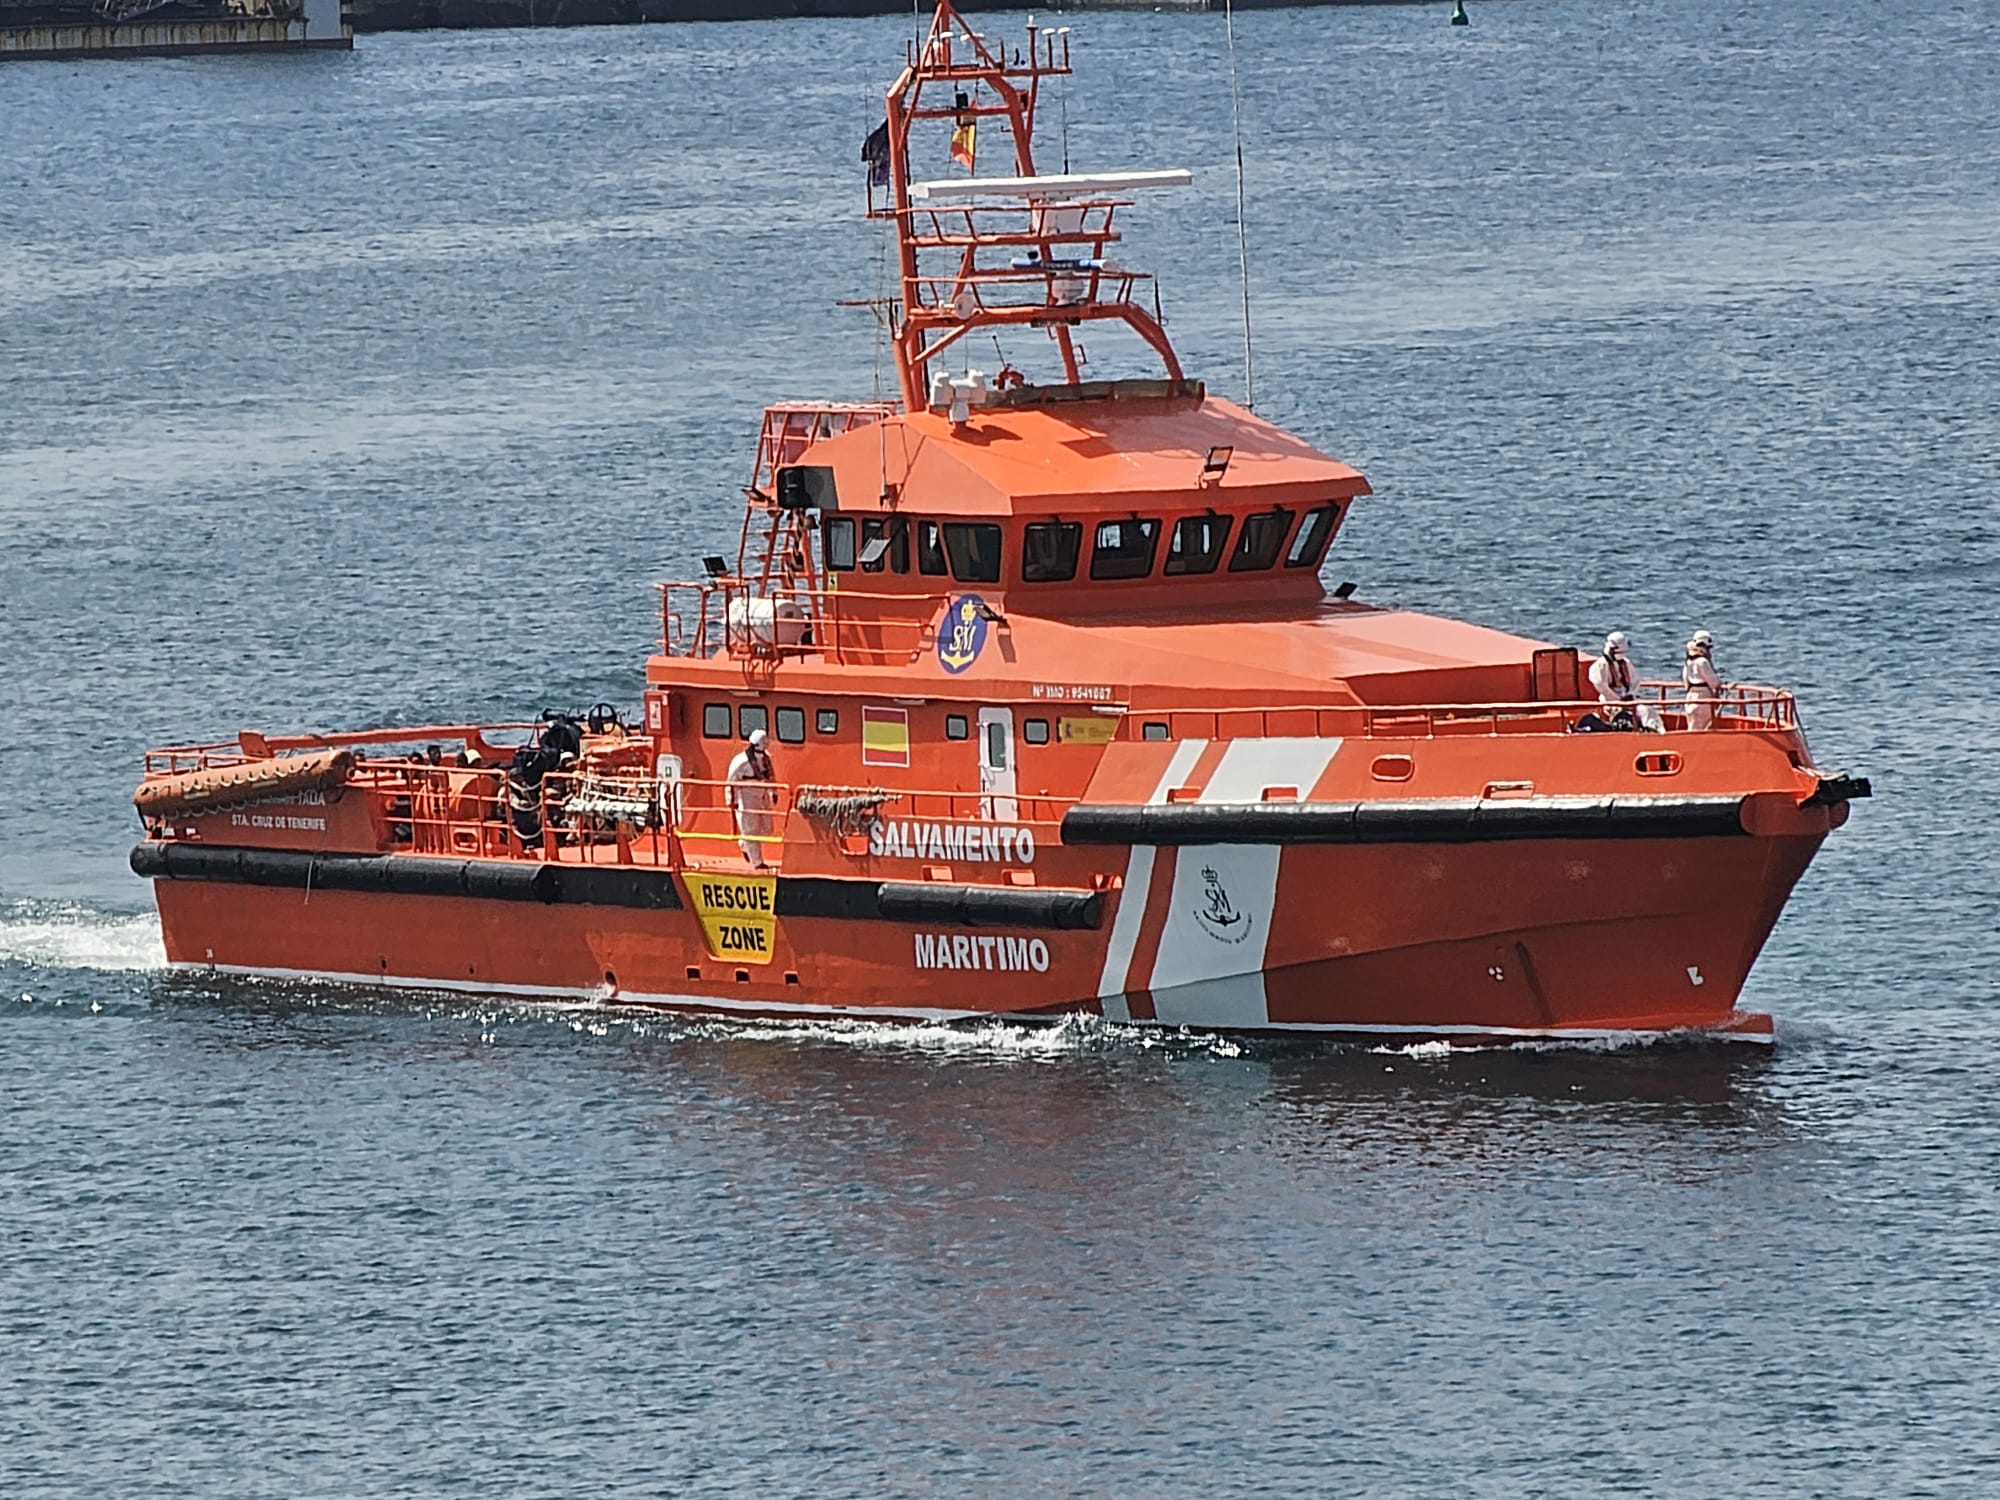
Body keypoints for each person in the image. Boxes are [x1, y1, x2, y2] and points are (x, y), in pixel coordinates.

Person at [727, 728, 778, 869]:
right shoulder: (741, 762)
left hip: (762, 795)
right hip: (747, 796)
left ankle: (744, 844)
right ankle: (757, 862)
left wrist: (774, 792)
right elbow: (731, 781)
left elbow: (771, 776)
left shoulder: (767, 759)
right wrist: (732, 800)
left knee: (768, 829)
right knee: (751, 830)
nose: (766, 744)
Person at [1683, 629, 1723, 731]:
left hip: (1690, 697)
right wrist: (1719, 685)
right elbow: (1713, 681)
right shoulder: (1702, 662)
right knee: (1704, 728)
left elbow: (1685, 681)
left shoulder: (1688, 662)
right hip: (1703, 698)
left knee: (1692, 726)